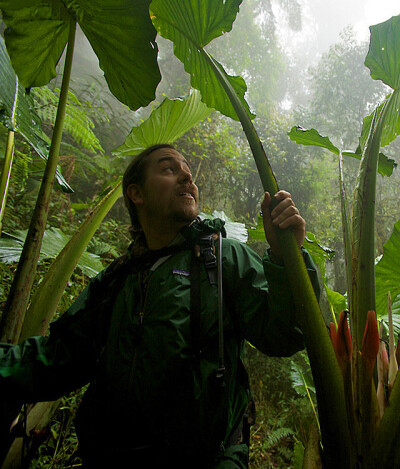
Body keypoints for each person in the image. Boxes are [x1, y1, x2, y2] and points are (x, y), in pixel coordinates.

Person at [0, 144, 320, 468]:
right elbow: (58, 358)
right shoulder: (116, 280)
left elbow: (284, 335)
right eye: (169, 169)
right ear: (136, 193)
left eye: (189, 173)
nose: (187, 177)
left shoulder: (222, 259)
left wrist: (285, 259)